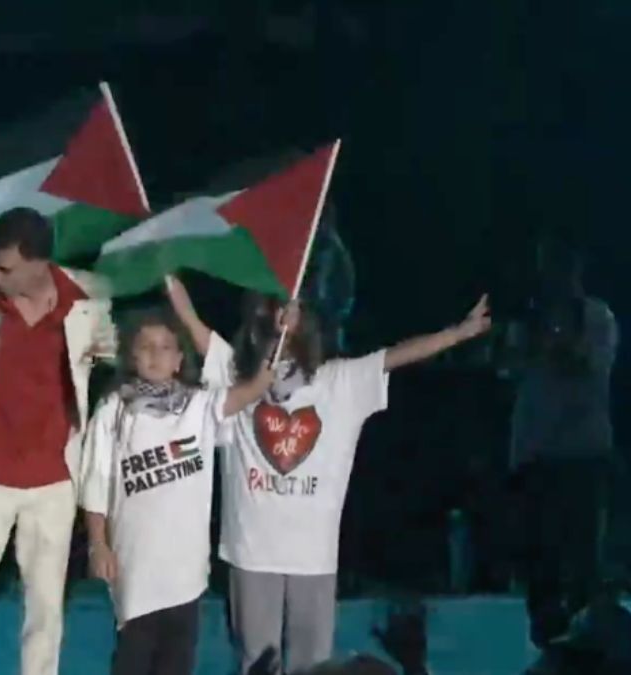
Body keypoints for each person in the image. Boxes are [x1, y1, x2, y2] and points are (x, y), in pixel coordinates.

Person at [165, 278, 491, 673]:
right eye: (272, 314)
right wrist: (165, 268)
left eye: (293, 314)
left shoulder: (338, 382)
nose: (284, 322)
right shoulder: (238, 377)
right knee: (257, 665)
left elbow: (396, 357)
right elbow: (193, 324)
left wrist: (459, 333)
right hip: (252, 553)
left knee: (314, 668)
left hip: (313, 558)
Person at [0, 207, 117, 674]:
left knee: (45, 607)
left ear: (39, 264)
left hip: (53, 477)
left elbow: (114, 356)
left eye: (6, 268)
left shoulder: (87, 297)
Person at [80, 302, 274, 675]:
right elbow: (96, 482)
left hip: (185, 569)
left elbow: (241, 394)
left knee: (177, 662)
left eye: (165, 347)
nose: (156, 355)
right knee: (133, 659)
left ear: (179, 358)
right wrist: (98, 544)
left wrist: (265, 373)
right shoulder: (114, 410)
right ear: (131, 355)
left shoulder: (197, 405)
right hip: (136, 565)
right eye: (146, 346)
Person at [502, 235, 618, 648]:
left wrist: (551, 339)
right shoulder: (528, 320)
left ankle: (591, 646)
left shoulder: (597, 317)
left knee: (583, 558)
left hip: (583, 451)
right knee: (540, 562)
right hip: (536, 453)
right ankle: (548, 644)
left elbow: (586, 363)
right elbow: (507, 365)